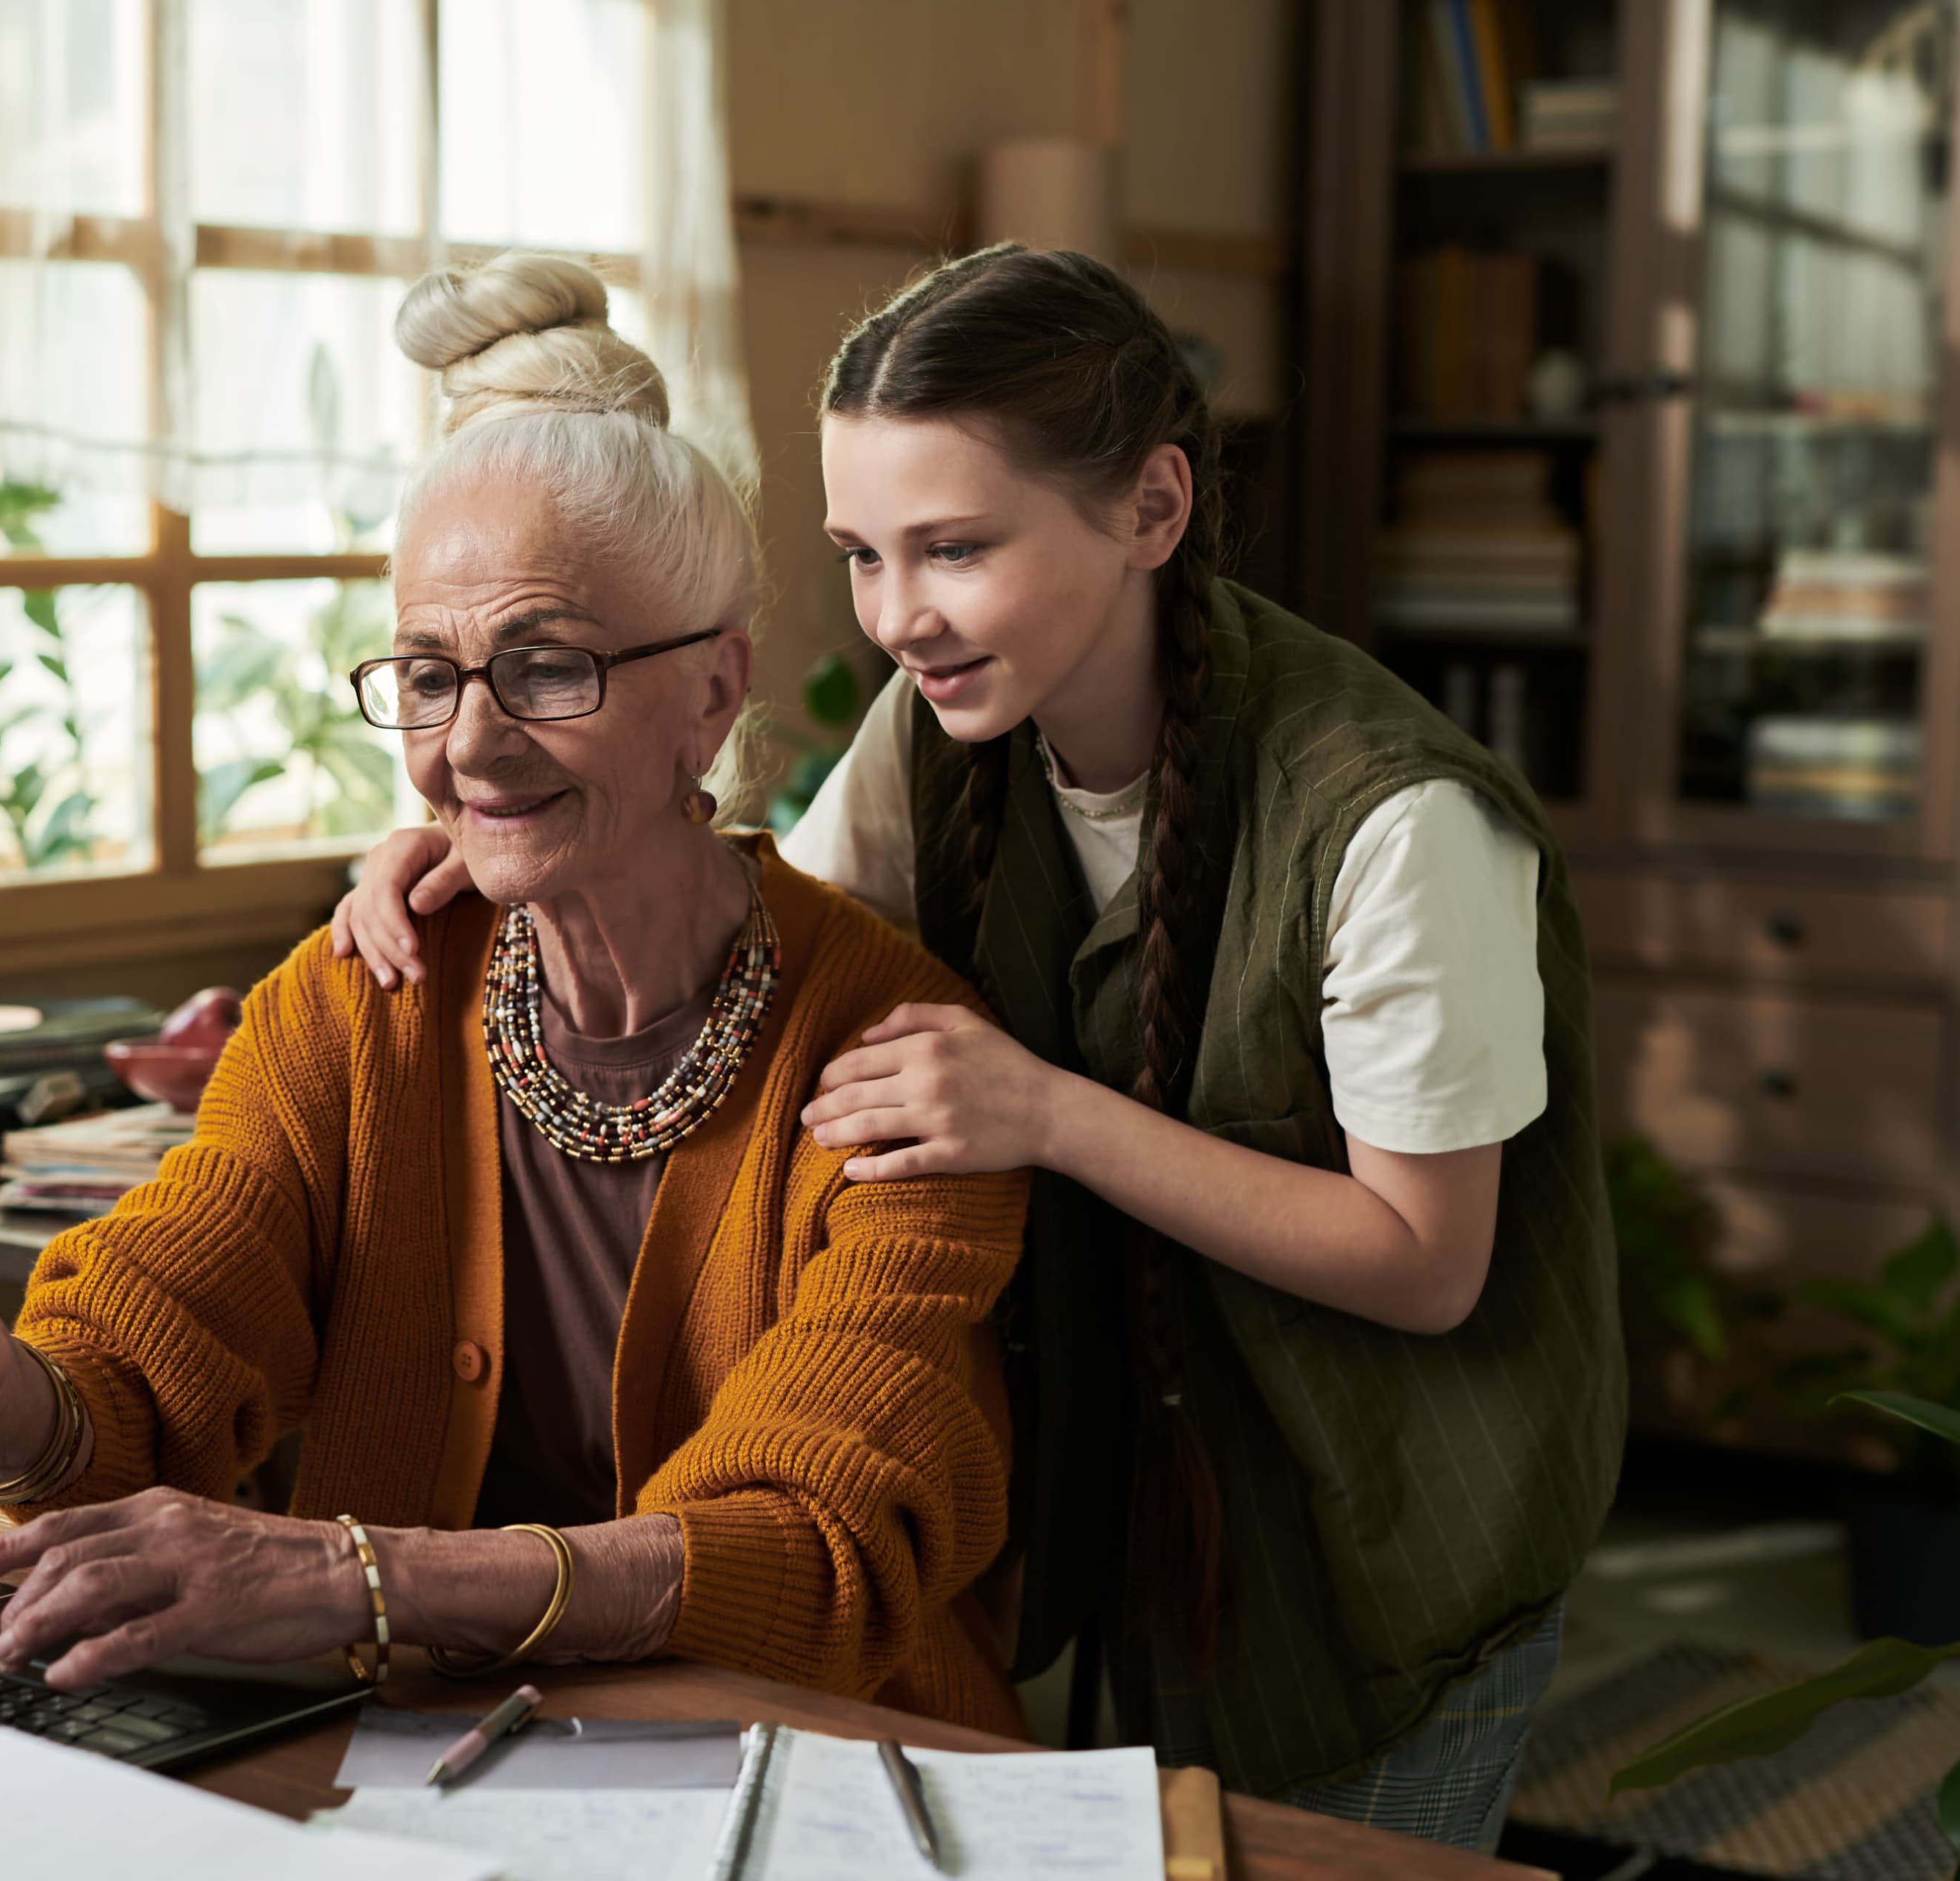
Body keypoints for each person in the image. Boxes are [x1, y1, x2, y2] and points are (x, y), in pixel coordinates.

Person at [330, 245, 1624, 1852]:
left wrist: (1046, 1113)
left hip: (1390, 1548)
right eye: (862, 554)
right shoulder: (939, 727)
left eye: (954, 548)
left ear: (1153, 508)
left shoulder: (1398, 819)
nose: (895, 617)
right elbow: (760, 933)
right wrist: (489, 844)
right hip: (1134, 1530)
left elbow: (1425, 1256)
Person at [0, 252, 1032, 1733]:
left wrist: (360, 1575)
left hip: (819, 1771)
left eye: (546, 667)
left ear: (718, 690)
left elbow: (818, 1543)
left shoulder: (900, 1061)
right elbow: (163, 1338)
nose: (469, 745)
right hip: (402, 1760)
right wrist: (1, 1386)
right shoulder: (364, 997)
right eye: (427, 673)